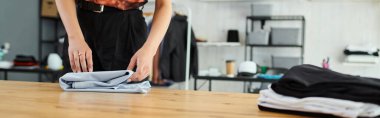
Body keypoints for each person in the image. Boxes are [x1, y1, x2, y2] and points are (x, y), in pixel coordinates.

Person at [55, 0, 172, 82]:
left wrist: (149, 50)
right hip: (82, 29)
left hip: (130, 30)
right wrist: (75, 37)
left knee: (129, 107)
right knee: (76, 103)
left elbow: (164, 5)